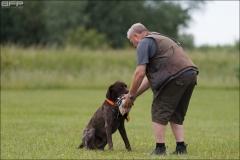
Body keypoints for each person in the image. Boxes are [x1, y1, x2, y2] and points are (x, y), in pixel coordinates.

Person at [123, 23, 198, 155]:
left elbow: (139, 73)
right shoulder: (159, 38)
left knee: (159, 108)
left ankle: (160, 149)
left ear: (136, 35)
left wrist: (130, 97)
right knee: (176, 112)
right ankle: (181, 148)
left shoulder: (144, 43)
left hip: (175, 76)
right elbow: (147, 80)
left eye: (132, 42)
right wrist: (132, 95)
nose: (134, 46)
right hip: (190, 74)